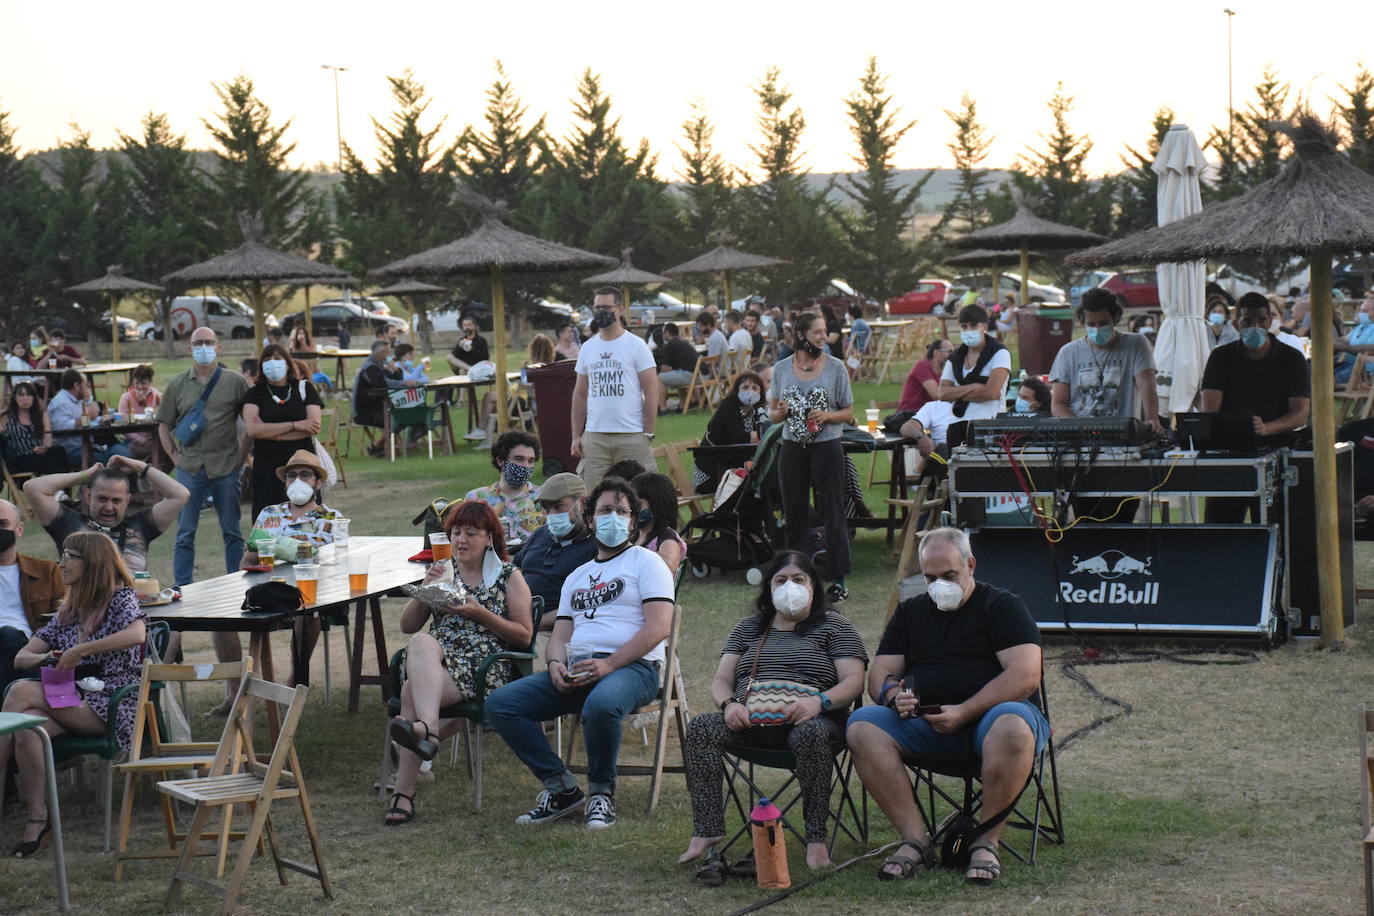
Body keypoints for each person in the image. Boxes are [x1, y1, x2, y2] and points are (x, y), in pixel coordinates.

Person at [847, 527, 1047, 885]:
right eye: (930, 577)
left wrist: (965, 711)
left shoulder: (1002, 606)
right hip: (928, 725)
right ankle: (915, 841)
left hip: (993, 722)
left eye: (949, 575)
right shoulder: (911, 613)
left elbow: (1026, 675)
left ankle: (985, 842)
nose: (940, 585)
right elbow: (880, 674)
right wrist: (893, 696)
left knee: (1012, 725)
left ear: (970, 565)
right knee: (863, 725)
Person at [486, 476, 673, 830]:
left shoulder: (647, 564)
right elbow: (560, 635)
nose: (613, 518)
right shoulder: (578, 576)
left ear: (633, 520)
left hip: (634, 668)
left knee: (600, 705)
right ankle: (562, 790)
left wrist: (610, 664)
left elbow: (658, 627)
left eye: (621, 511)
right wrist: (555, 663)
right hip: (578, 668)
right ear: (589, 519)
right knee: (502, 704)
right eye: (605, 511)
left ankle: (601, 793)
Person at [680, 551, 867, 875]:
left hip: (814, 723)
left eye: (798, 580)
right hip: (752, 724)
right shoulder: (750, 628)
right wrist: (729, 706)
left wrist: (819, 702)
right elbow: (722, 680)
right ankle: (707, 829)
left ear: (813, 587)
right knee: (700, 728)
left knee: (812, 734)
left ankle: (816, 838)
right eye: (781, 580)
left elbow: (854, 681)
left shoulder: (835, 626)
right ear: (768, 588)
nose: (789, 586)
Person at [386, 499, 536, 825]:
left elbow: (524, 636)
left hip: (484, 664)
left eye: (471, 532)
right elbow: (407, 625)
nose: (461, 540)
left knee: (412, 691)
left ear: (489, 538)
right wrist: (426, 589)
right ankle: (428, 730)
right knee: (421, 641)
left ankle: (404, 793)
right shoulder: (443, 572)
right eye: (455, 532)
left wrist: (479, 613)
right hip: (435, 661)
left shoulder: (508, 577)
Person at [0, 530, 146, 858]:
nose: (61, 563)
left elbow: (137, 634)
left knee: (21, 690)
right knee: (27, 728)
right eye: (62, 554)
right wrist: (45, 658)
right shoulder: (69, 611)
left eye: (69, 556)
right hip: (67, 697)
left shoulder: (119, 598)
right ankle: (38, 819)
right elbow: (22, 657)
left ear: (91, 563)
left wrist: (81, 650)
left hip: (109, 703)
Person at [1200, 292, 1312, 522]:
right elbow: (1210, 412)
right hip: (1229, 457)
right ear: (1236, 324)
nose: (1255, 326)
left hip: (1279, 455)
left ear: (1271, 321)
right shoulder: (1220, 357)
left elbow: (1300, 414)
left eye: (1261, 320)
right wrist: (1235, 428)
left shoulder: (1292, 358)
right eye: (1247, 321)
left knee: (1277, 532)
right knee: (1219, 532)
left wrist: (1266, 428)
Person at [768, 312, 854, 602]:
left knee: (832, 510)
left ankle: (839, 579)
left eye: (825, 332)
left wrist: (828, 415)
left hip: (827, 446)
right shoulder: (781, 368)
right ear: (802, 335)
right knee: (794, 512)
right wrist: (779, 414)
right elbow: (773, 411)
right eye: (817, 332)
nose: (823, 337)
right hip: (792, 447)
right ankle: (797, 577)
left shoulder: (835, 368)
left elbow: (849, 412)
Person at [157, 328, 250, 590]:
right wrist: (174, 457)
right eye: (198, 343)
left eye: (209, 343)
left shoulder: (234, 382)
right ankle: (182, 587)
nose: (204, 348)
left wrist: (242, 457)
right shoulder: (177, 384)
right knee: (185, 533)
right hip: (190, 467)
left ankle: (237, 583)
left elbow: (250, 423)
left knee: (232, 531)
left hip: (226, 465)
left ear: (218, 347)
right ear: (189, 349)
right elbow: (163, 425)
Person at [245, 449, 342, 687]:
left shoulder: (330, 519)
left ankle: (295, 680)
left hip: (310, 591)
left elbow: (336, 566)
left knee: (307, 615)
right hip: (268, 588)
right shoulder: (269, 514)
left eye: (305, 475)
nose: (297, 480)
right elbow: (246, 562)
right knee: (225, 619)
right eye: (291, 475)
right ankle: (241, 688)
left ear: (318, 483)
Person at [26, 458, 187, 575]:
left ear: (127, 501)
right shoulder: (70, 525)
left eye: (116, 501)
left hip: (131, 615)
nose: (109, 507)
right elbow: (33, 488)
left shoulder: (140, 526)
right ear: (88, 496)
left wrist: (140, 467)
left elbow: (180, 495)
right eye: (102, 499)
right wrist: (84, 476)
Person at [571, 287, 658, 486]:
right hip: (595, 437)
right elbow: (580, 394)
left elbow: (651, 392)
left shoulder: (636, 345)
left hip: (631, 434)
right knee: (593, 495)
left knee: (640, 493)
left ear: (620, 309)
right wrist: (576, 436)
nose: (601, 312)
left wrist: (648, 432)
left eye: (606, 307)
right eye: (597, 307)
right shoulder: (587, 348)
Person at [1049, 289, 1160, 429]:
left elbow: (1147, 384)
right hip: (1081, 435)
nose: (1097, 329)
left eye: (1103, 323)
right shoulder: (1067, 353)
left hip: (1123, 433)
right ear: (1083, 322)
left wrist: (1152, 420)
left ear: (1114, 318)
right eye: (1091, 324)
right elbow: (1058, 403)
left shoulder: (1136, 344)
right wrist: (1078, 429)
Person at [240, 343, 323, 519]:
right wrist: (294, 425)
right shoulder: (255, 394)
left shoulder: (304, 389)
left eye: (278, 358)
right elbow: (254, 429)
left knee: (306, 512)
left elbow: (313, 426)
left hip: (301, 462)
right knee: (268, 515)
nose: (273, 362)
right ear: (261, 365)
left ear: (287, 362)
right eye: (267, 359)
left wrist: (272, 433)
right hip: (267, 464)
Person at [514, 473, 598, 633]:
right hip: (517, 622)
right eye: (547, 509)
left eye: (559, 506)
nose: (552, 515)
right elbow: (512, 573)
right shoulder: (540, 535)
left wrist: (531, 623)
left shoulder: (596, 547)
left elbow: (585, 605)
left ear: (582, 503)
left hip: (556, 630)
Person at [0, 498, 64, 694]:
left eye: (2, 524)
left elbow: (65, 614)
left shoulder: (47, 571)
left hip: (28, 647)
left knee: (10, 637)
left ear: (19, 529)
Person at [470, 335, 552, 447]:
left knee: (489, 397)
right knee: (493, 399)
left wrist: (524, 371)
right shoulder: (550, 368)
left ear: (532, 350)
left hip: (526, 404)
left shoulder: (533, 369)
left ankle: (482, 431)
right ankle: (486, 433)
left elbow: (526, 388)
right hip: (535, 403)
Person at [464, 431, 545, 542]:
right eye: (519, 459)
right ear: (500, 461)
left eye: (530, 461)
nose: (526, 466)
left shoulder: (543, 497)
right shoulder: (475, 498)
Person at [694, 371, 767, 495]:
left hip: (735, 467)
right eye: (745, 387)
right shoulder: (728, 406)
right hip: (714, 471)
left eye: (754, 388)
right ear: (736, 390)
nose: (750, 391)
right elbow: (739, 438)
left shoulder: (755, 411)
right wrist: (765, 433)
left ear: (760, 392)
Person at [940, 306, 1012, 421]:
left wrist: (956, 393)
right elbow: (942, 394)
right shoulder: (955, 357)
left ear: (984, 327)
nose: (968, 330)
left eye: (973, 325)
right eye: (964, 326)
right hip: (957, 424)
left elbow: (991, 393)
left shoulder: (999, 353)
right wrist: (975, 387)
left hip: (990, 423)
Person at [47, 368, 131, 467]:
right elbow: (61, 427)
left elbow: (89, 422)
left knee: (126, 454)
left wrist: (102, 421)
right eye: (86, 385)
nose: (87, 388)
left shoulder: (77, 400)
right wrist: (86, 418)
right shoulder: (60, 402)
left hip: (90, 446)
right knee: (121, 460)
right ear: (76, 385)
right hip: (72, 451)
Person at [353, 340, 419, 457]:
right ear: (381, 352)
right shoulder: (369, 367)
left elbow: (392, 379)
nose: (389, 355)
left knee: (404, 415)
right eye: (387, 352)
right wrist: (404, 384)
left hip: (379, 407)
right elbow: (382, 384)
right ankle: (380, 446)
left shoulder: (379, 365)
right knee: (399, 418)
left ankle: (378, 446)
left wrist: (396, 370)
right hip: (366, 411)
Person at [1, 382, 69, 475]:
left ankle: (60, 488)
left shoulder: (41, 415)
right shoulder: (7, 417)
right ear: (15, 398)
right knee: (48, 461)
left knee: (58, 450)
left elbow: (48, 436)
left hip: (40, 453)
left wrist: (45, 447)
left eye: (29, 395)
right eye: (21, 395)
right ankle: (56, 487)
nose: (25, 398)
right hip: (20, 457)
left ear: (34, 398)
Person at [631, 471, 686, 577]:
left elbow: (669, 565)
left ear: (656, 505)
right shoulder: (633, 535)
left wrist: (633, 553)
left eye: (638, 504)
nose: (631, 509)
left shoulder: (667, 538)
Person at [115, 365, 162, 460]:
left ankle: (149, 472)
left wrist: (146, 405)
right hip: (133, 441)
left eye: (143, 383)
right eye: (137, 383)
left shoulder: (157, 395)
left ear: (150, 382)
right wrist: (143, 441)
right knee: (158, 451)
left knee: (171, 452)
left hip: (154, 437)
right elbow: (122, 425)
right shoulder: (126, 398)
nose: (140, 387)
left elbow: (160, 417)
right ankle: (147, 471)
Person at [899, 340, 954, 413]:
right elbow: (937, 395)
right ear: (936, 352)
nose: (953, 355)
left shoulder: (944, 370)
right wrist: (963, 393)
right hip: (911, 414)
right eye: (950, 351)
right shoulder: (922, 365)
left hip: (929, 413)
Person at [656, 322, 699, 411]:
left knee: (658, 378)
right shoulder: (685, 342)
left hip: (690, 376)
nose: (663, 335)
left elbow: (663, 369)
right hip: (698, 375)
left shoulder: (669, 346)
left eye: (663, 333)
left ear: (667, 333)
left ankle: (662, 408)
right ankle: (682, 406)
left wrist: (669, 369)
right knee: (677, 374)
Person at [1335, 297, 1374, 384]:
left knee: (1328, 378)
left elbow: (1371, 348)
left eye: (1365, 311)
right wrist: (1330, 341)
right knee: (1319, 371)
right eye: (1360, 310)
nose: (1360, 313)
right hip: (1351, 364)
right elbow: (1344, 339)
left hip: (1365, 369)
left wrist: (1345, 347)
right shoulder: (1362, 326)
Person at [289, 325, 334, 392]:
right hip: (300, 373)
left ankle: (330, 392)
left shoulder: (310, 344)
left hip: (312, 371)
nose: (301, 335)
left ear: (306, 335)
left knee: (325, 377)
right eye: (299, 333)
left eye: (303, 333)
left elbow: (312, 355)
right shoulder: (294, 345)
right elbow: (293, 356)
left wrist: (303, 343)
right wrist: (293, 343)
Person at [723, 310, 752, 376]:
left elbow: (730, 355)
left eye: (725, 323)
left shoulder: (735, 337)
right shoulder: (746, 333)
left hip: (736, 370)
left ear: (729, 322)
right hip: (745, 366)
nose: (725, 325)